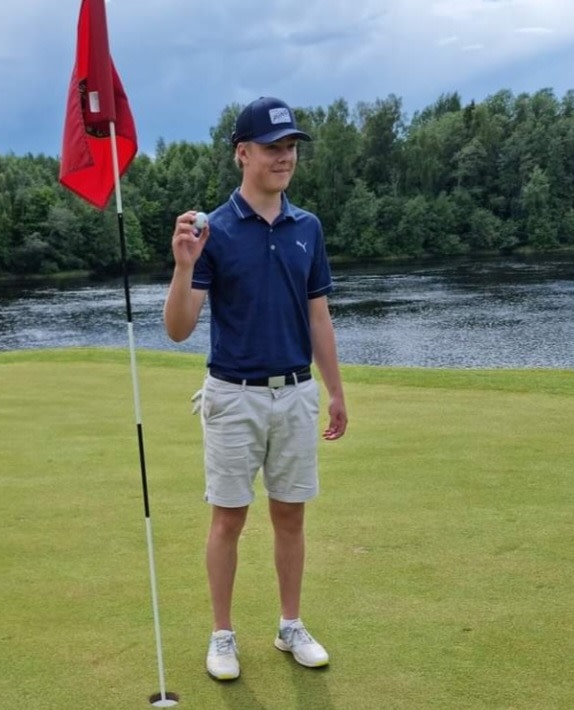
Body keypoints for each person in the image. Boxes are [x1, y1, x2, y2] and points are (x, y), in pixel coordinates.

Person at [163, 96, 348, 681]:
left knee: (291, 517)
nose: (285, 157)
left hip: (294, 392)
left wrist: (336, 390)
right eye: (273, 147)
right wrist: (184, 265)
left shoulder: (307, 228)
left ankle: (289, 625)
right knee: (229, 520)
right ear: (243, 153)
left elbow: (319, 316)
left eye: (291, 147)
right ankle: (222, 636)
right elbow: (178, 329)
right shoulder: (210, 231)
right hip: (232, 395)